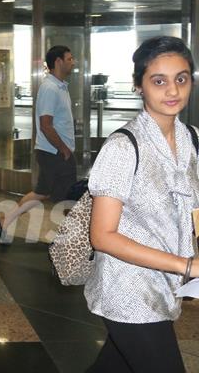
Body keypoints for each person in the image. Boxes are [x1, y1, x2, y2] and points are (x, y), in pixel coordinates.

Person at [84, 36, 199, 372]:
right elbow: (102, 236)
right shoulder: (123, 147)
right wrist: (187, 266)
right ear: (139, 86)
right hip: (128, 291)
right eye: (158, 81)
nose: (173, 91)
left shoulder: (192, 139)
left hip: (165, 289)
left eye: (181, 78)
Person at [0, 45, 75, 242]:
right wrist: (63, 149)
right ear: (58, 62)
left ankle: (5, 222)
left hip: (56, 152)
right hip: (54, 153)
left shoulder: (61, 86)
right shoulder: (50, 88)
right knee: (65, 197)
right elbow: (45, 125)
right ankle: (70, 240)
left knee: (46, 193)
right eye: (70, 59)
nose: (73, 63)